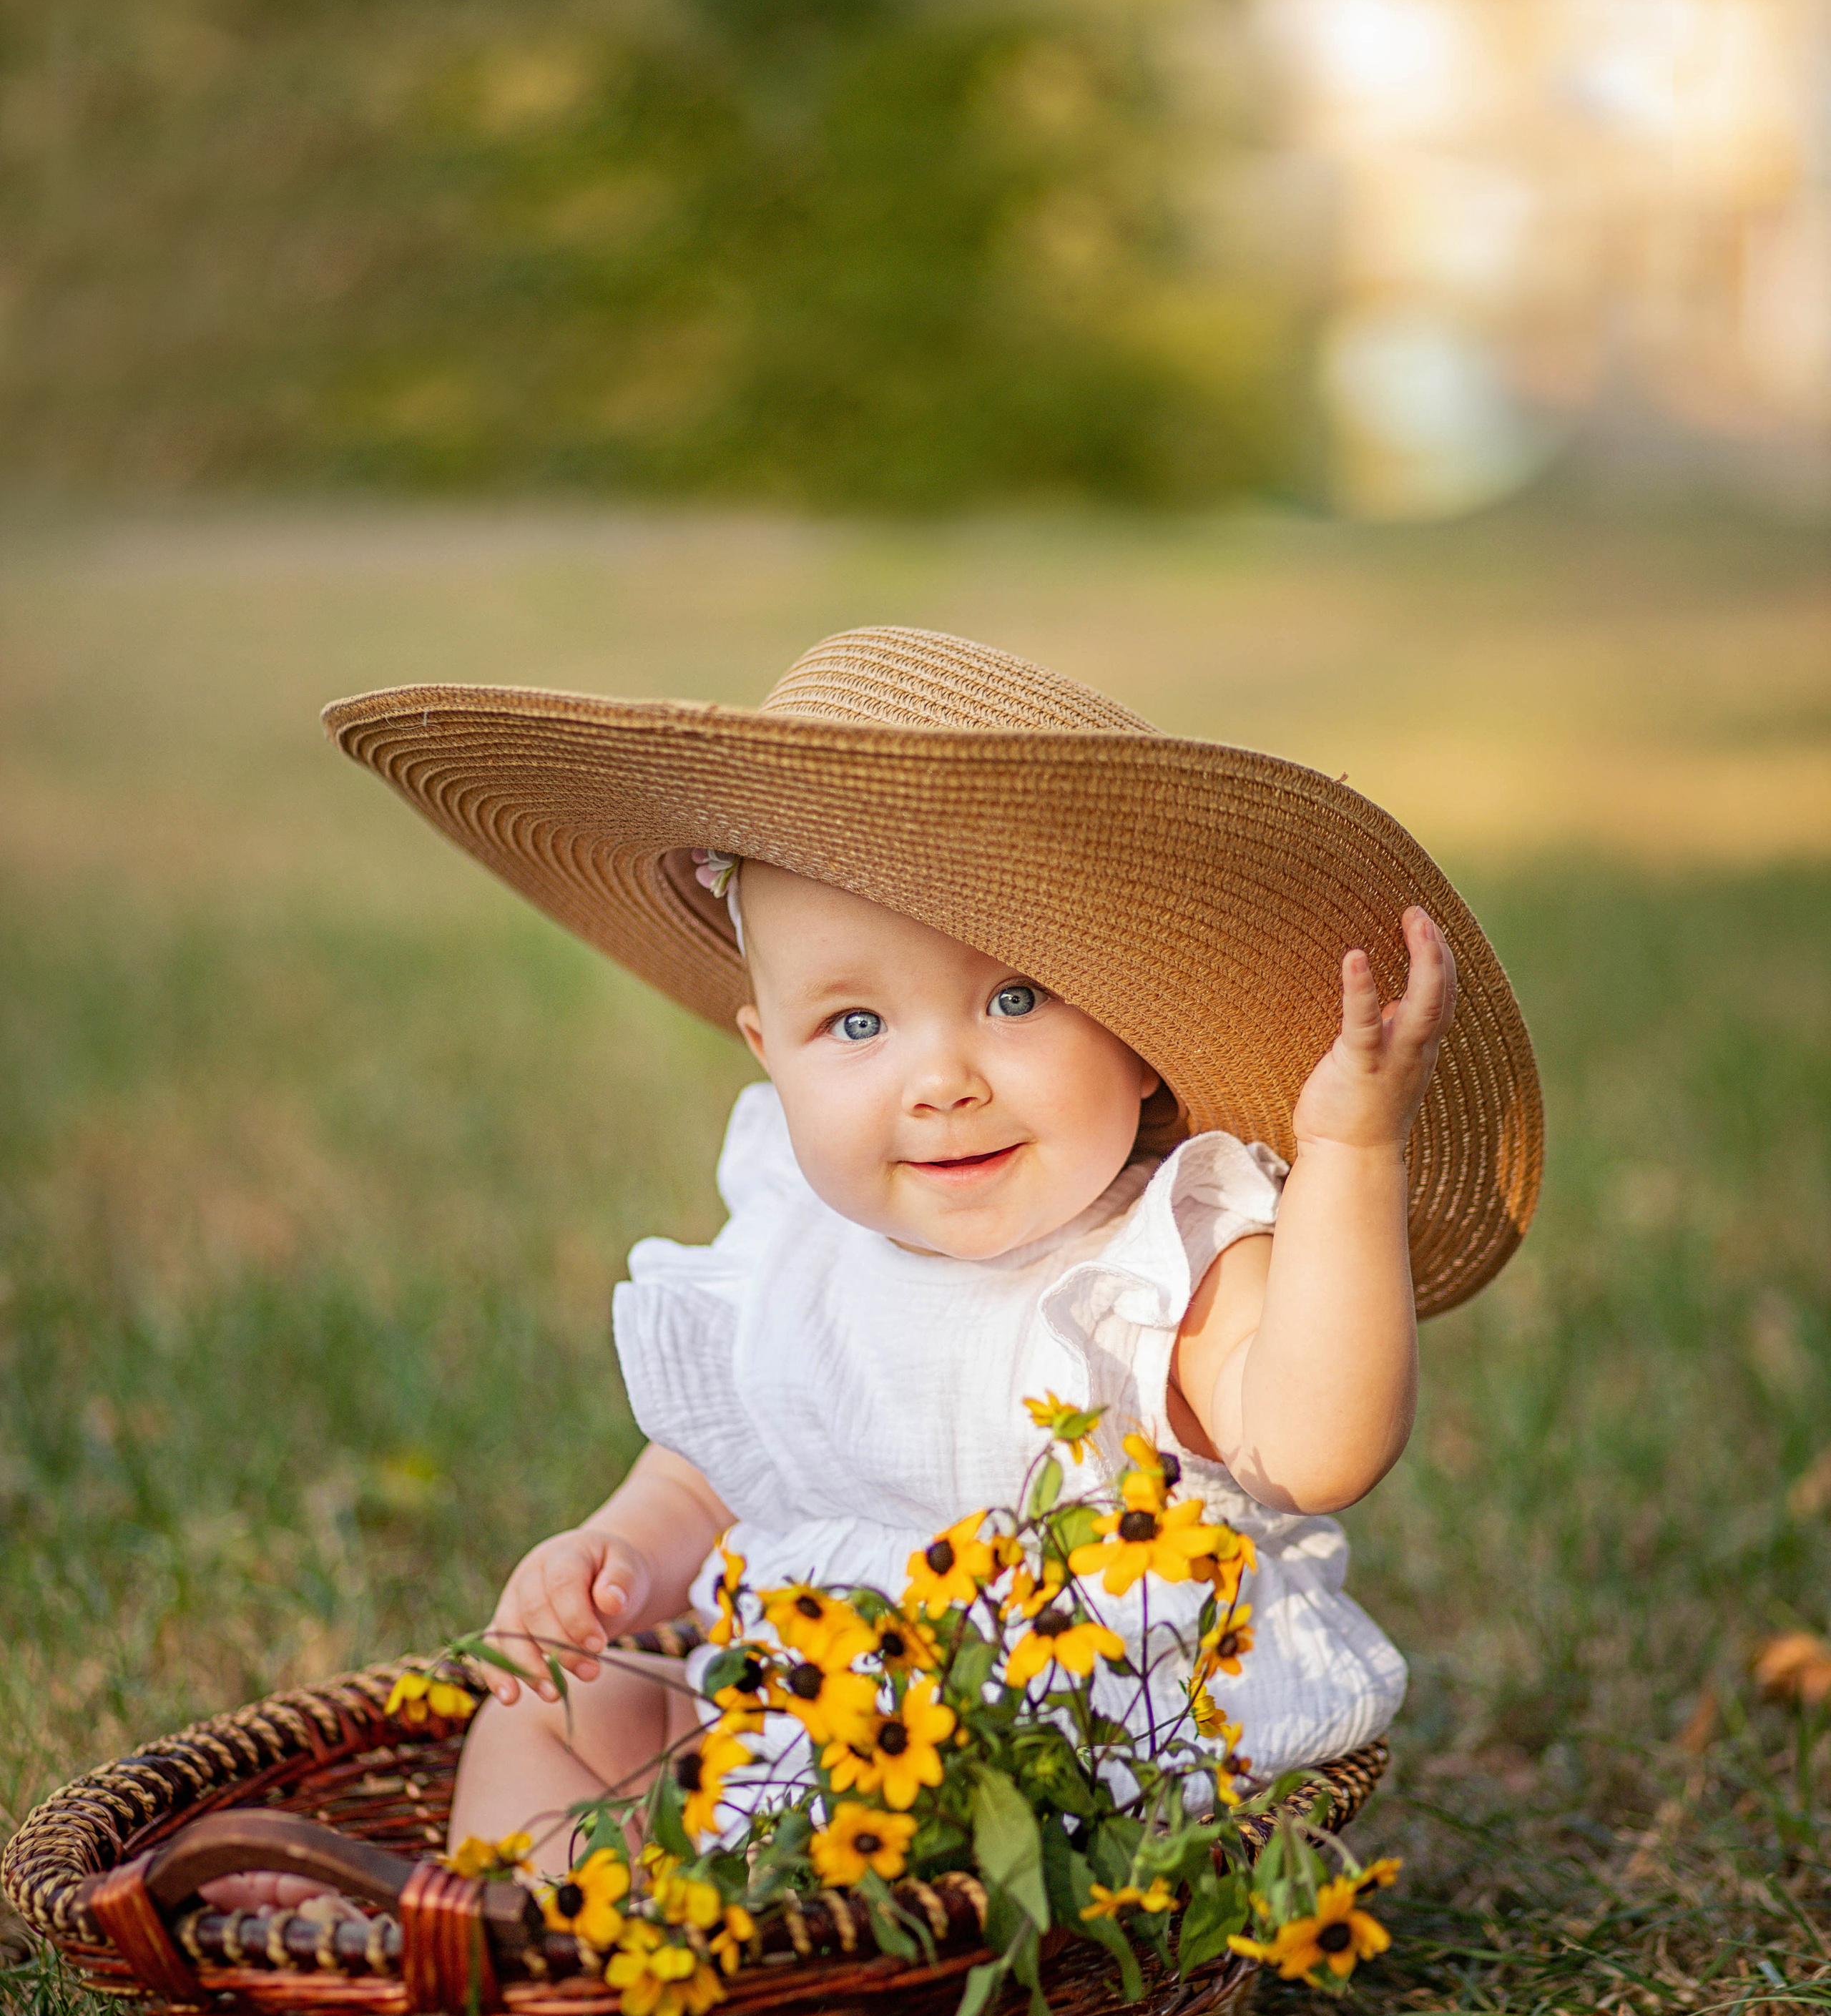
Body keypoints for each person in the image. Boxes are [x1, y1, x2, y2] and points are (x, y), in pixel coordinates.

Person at [325, 626, 1543, 1872]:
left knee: (911, 1840)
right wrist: (616, 1558)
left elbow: (1320, 1451)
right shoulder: (792, 1245)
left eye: (1013, 999)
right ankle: (506, 1953)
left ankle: (687, 1945)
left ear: (1137, 1038)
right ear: (768, 1055)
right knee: (550, 1709)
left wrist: (1350, 1153)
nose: (942, 1081)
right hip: (799, 1736)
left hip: (1050, 1795)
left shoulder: (1166, 1260)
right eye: (855, 1024)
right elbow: (712, 1476)